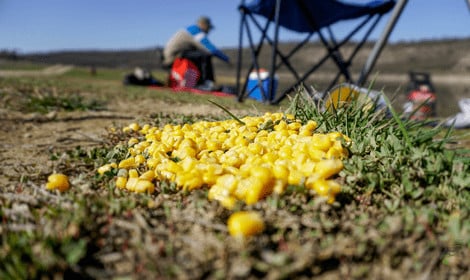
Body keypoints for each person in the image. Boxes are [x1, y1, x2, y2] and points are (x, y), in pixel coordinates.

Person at [163, 16, 230, 89]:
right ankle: (207, 83)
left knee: (198, 55)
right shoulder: (195, 31)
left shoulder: (190, 29)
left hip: (178, 54)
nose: (209, 31)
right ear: (203, 25)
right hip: (174, 56)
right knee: (205, 55)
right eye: (209, 28)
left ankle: (195, 83)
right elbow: (211, 49)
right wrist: (226, 59)